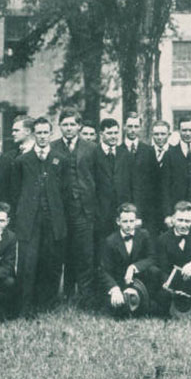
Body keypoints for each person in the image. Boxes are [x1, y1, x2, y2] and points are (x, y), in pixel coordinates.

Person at [12, 117, 68, 315]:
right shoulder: (22, 161)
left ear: (51, 134)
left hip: (53, 220)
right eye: (39, 133)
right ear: (33, 134)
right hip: (30, 221)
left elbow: (65, 191)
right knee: (29, 262)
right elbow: (16, 192)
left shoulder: (60, 159)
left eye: (46, 132)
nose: (42, 136)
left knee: (51, 262)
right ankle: (26, 306)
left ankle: (47, 304)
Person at [51, 107, 97, 307]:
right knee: (65, 253)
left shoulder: (91, 148)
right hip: (61, 211)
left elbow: (98, 178)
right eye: (65, 124)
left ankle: (86, 297)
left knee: (84, 254)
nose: (69, 128)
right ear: (60, 126)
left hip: (83, 210)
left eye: (72, 124)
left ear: (79, 126)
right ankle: (67, 294)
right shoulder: (52, 148)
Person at [99, 203, 157, 317]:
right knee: (117, 310)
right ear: (118, 221)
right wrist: (114, 289)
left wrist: (133, 267)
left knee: (154, 272)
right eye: (125, 222)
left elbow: (152, 258)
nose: (129, 225)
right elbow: (104, 270)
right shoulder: (110, 241)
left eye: (131, 221)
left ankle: (145, 303)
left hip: (140, 282)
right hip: (120, 283)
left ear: (136, 221)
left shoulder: (144, 235)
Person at [155, 201, 191, 316]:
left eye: (187, 221)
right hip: (173, 283)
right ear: (173, 220)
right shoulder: (163, 239)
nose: (184, 225)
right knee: (162, 300)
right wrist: (171, 286)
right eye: (180, 220)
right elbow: (163, 268)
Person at [95, 118, 132, 259]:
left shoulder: (125, 154)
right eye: (109, 133)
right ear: (101, 134)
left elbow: (130, 184)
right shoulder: (93, 154)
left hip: (121, 212)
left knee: (120, 250)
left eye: (116, 133)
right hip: (100, 213)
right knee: (101, 249)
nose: (114, 136)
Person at [161, 117, 191, 226]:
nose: (187, 133)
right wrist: (168, 214)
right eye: (184, 130)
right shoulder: (170, 154)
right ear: (179, 131)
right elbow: (165, 186)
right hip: (177, 209)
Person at [121, 112, 158, 236]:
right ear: (124, 126)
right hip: (123, 208)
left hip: (145, 208)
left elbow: (154, 182)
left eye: (136, 126)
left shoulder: (149, 151)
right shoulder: (117, 150)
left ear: (140, 128)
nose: (132, 130)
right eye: (130, 126)